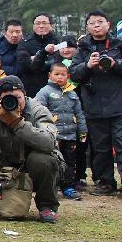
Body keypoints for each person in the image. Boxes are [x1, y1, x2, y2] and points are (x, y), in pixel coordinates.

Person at [0, 75, 61, 223]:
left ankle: (47, 206)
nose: (14, 102)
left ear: (25, 95)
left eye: (18, 98)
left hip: (32, 162)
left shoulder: (38, 110)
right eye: (7, 99)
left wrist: (17, 123)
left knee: (43, 159)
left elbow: (48, 143)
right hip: (5, 161)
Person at [69, 11, 122, 198]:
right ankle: (105, 182)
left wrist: (114, 63)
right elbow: (73, 74)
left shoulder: (120, 45)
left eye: (100, 22)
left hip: (120, 104)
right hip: (94, 104)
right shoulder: (83, 48)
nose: (96, 26)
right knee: (100, 147)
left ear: (108, 24)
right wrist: (88, 65)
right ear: (87, 27)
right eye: (92, 23)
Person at [34, 63, 86, 200]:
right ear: (49, 75)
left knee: (69, 161)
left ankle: (67, 186)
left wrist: (82, 131)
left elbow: (79, 114)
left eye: (63, 74)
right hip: (52, 136)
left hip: (70, 135)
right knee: (52, 160)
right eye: (56, 74)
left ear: (68, 76)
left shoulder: (72, 93)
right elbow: (37, 111)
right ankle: (50, 186)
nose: (60, 77)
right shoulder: (44, 92)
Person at [16, 13, 59, 98]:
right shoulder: (25, 42)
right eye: (38, 23)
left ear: (51, 25)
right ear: (33, 26)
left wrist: (35, 58)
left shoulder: (57, 41)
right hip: (31, 88)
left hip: (54, 86)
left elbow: (59, 62)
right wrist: (44, 54)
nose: (41, 26)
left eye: (44, 23)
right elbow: (25, 64)